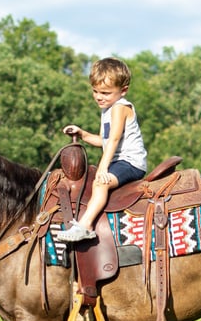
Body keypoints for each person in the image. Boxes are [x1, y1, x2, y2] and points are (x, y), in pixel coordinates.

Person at [55, 57, 147, 242]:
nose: (99, 96)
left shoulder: (120, 107)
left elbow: (113, 140)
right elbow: (103, 140)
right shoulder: (107, 109)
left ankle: (85, 226)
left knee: (100, 183)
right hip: (117, 161)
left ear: (123, 91)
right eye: (95, 91)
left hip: (130, 162)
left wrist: (103, 168)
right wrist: (82, 134)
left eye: (105, 92)